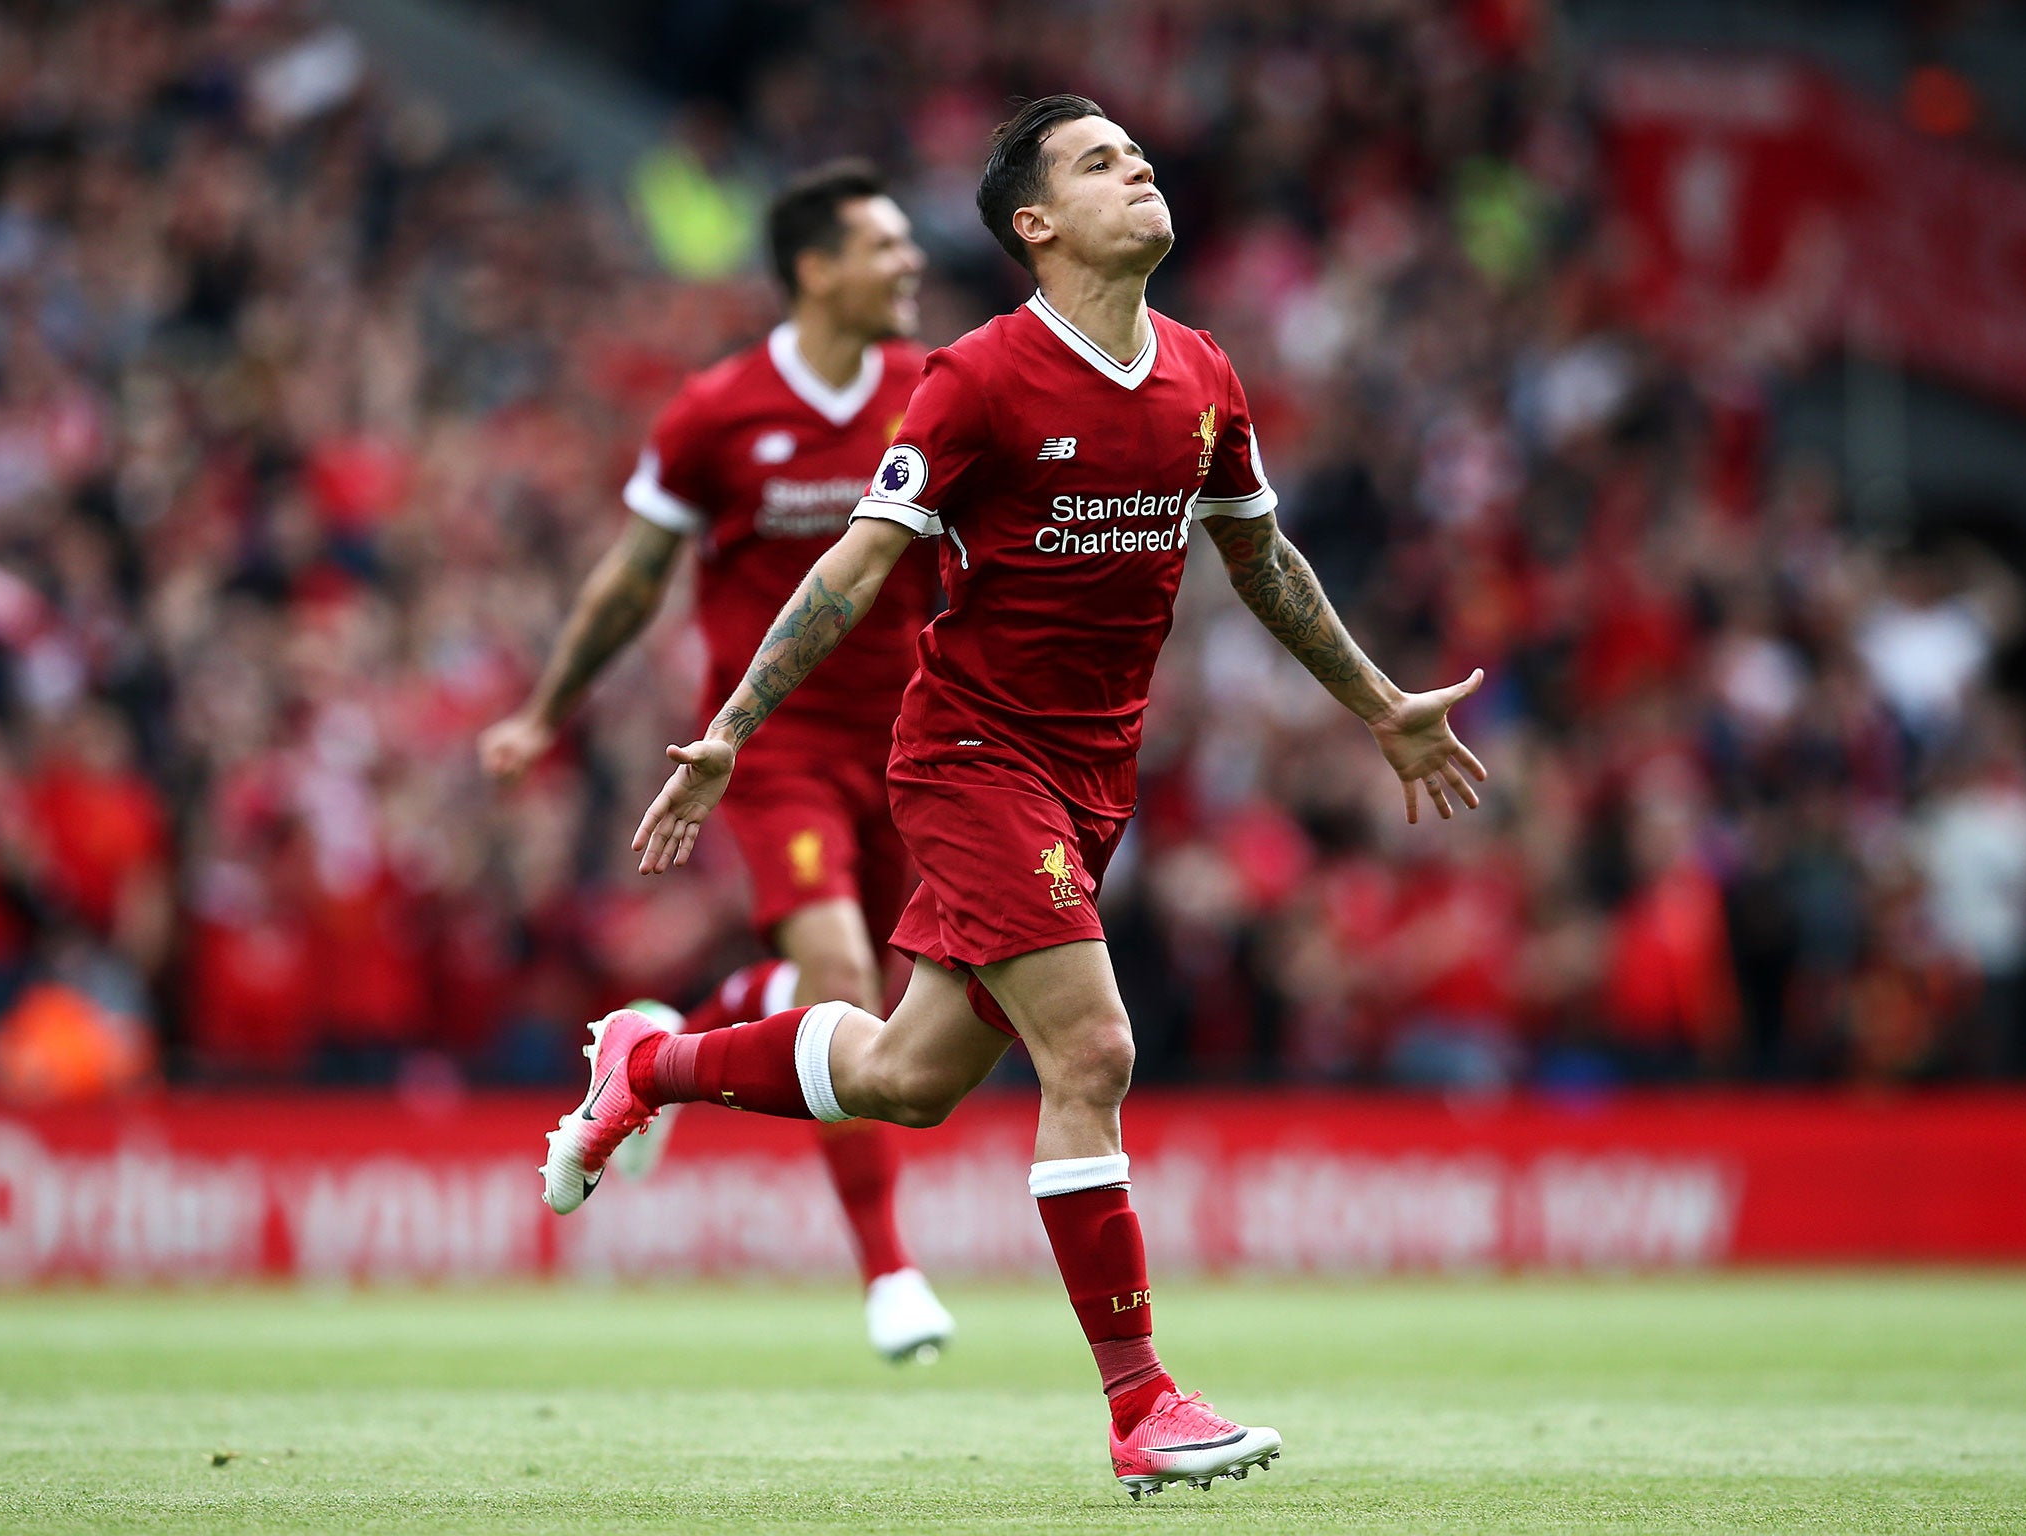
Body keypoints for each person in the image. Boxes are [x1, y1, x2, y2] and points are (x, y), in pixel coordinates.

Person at [542, 97, 1486, 1498]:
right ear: (1033, 226)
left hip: (1092, 780)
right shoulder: (979, 380)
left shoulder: (1204, 376)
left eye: (1142, 156)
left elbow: (1264, 564)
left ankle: (650, 1063)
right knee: (1091, 1055)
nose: (1141, 171)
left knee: (904, 1078)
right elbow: (858, 564)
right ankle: (1140, 1402)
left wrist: (1380, 706)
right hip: (973, 759)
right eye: (1102, 163)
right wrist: (735, 726)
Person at [484, 160, 954, 1363]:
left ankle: (657, 1049)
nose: (910, 264)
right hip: (775, 741)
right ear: (815, 267)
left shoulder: (933, 391)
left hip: (914, 744)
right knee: (841, 984)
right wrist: (544, 713)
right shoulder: (716, 412)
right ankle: (888, 1275)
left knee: (887, 1016)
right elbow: (633, 577)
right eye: (884, 245)